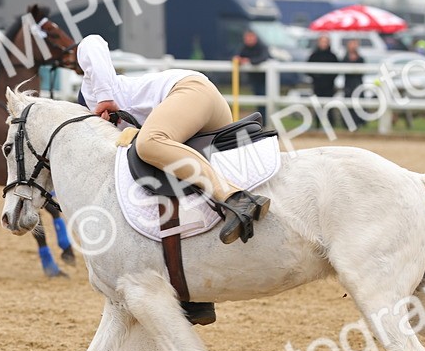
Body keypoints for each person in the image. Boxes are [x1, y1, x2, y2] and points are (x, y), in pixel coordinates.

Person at [77, 34, 268, 244]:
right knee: (166, 160)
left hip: (189, 90)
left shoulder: (94, 93)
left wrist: (104, 97)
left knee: (149, 143)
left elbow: (92, 42)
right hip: (203, 107)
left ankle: (236, 198)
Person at [233, 29, 269, 117]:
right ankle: (261, 120)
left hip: (265, 79)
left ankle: (264, 121)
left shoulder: (262, 46)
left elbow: (263, 58)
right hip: (254, 78)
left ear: (255, 37)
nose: (248, 39)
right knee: (258, 99)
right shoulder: (244, 47)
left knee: (263, 99)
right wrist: (238, 60)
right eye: (247, 37)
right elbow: (236, 56)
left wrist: (249, 61)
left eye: (250, 37)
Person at [342, 38, 367, 126]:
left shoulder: (360, 58)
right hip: (348, 85)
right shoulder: (345, 58)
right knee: (348, 104)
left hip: (358, 84)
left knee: (359, 104)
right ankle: (348, 123)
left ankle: (360, 122)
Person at [307, 34, 339, 98]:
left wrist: (329, 78)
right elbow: (308, 69)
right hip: (317, 86)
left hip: (329, 86)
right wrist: (316, 76)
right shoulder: (314, 56)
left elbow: (337, 70)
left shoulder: (332, 56)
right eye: (322, 42)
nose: (324, 44)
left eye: (325, 42)